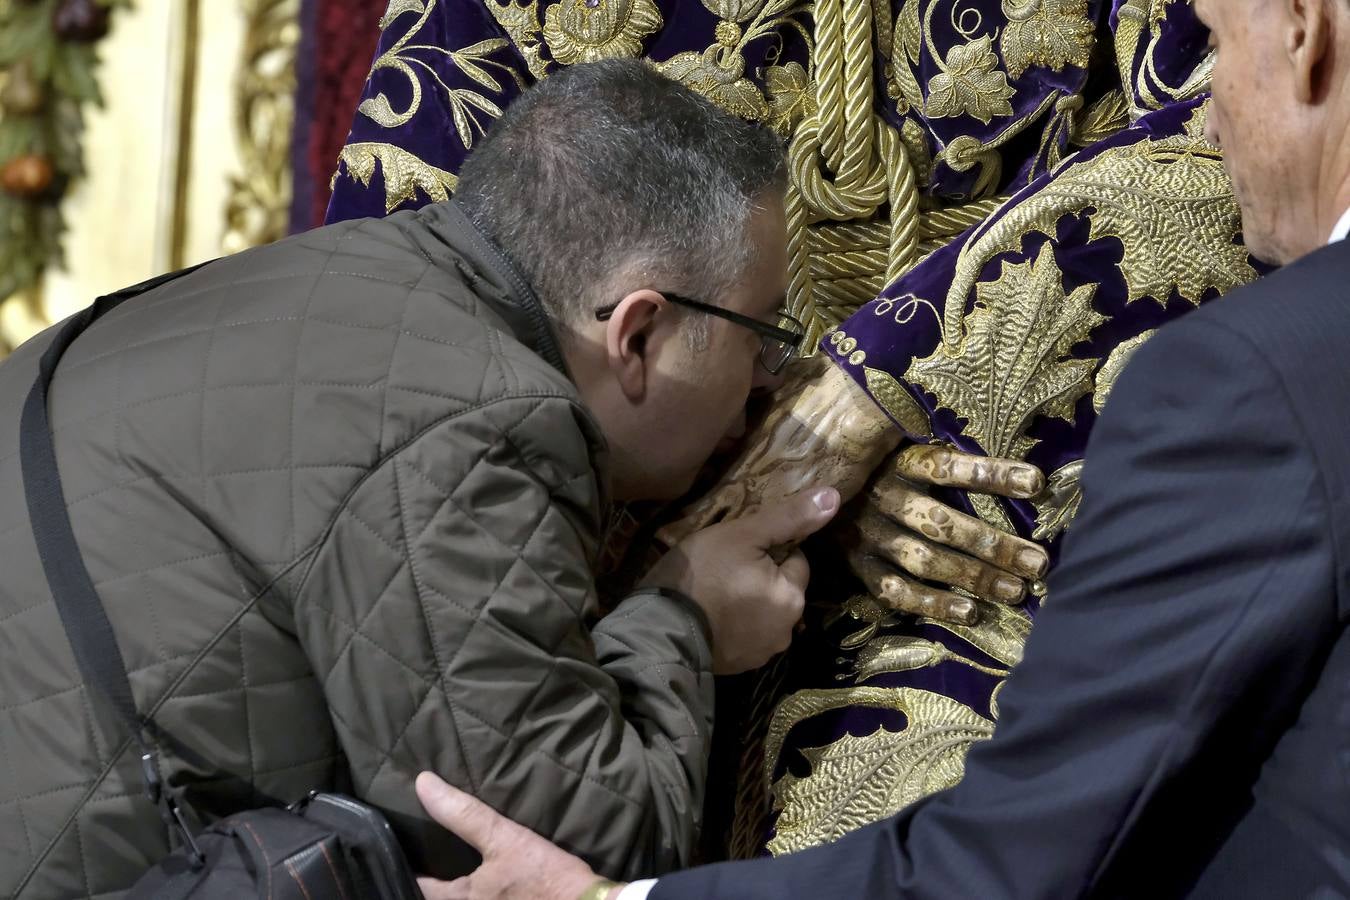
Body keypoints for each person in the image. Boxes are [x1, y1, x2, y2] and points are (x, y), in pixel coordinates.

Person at [0, 59, 1045, 899]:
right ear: (638, 331)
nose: (768, 385)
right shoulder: (476, 417)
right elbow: (547, 853)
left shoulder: (347, 279)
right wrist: (683, 618)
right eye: (764, 336)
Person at [408, 0, 1350, 895]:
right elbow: (429, 268)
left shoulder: (1235, 385)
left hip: (1005, 518)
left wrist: (883, 397)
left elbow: (1237, 103)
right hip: (613, 502)